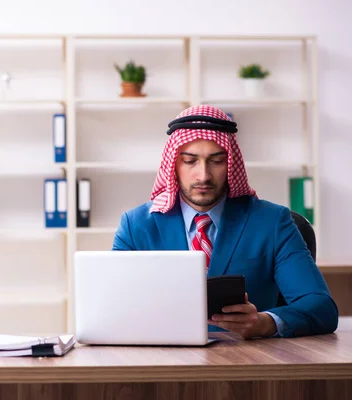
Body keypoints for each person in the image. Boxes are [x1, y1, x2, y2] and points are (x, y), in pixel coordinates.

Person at [112, 104, 338, 339]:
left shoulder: (273, 223)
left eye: (217, 161)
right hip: (164, 363)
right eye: (190, 161)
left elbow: (322, 309)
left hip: (249, 366)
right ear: (173, 165)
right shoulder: (135, 226)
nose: (203, 175)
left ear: (231, 164)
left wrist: (265, 322)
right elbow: (113, 307)